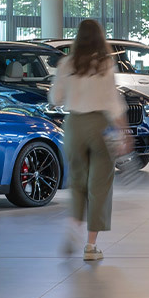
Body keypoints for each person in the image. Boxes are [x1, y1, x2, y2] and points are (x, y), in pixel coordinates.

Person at [50, 19, 129, 261]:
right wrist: (123, 131)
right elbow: (113, 102)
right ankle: (91, 246)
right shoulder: (105, 63)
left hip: (73, 125)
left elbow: (55, 98)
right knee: (100, 185)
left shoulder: (66, 64)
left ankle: (73, 227)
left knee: (78, 182)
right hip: (100, 125)